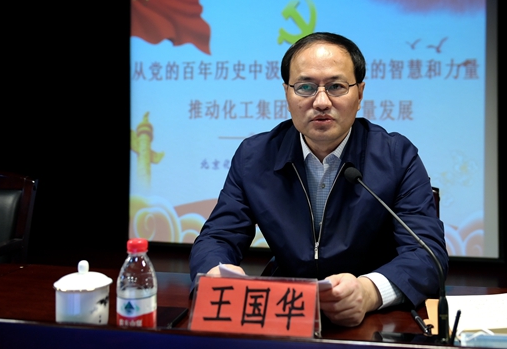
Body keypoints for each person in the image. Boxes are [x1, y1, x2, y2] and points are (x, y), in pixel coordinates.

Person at [189, 32, 447, 327]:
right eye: (306, 87)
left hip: (373, 320)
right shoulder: (255, 156)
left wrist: (368, 292)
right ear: (287, 94)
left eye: (336, 87)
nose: (322, 102)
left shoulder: (396, 156)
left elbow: (427, 254)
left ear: (360, 94)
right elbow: (218, 236)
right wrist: (216, 273)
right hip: (286, 314)